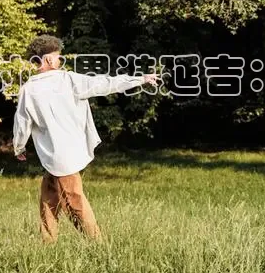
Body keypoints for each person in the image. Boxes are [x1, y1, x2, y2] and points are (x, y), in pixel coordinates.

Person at [13, 35, 158, 243]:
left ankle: (75, 242)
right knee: (61, 198)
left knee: (64, 198)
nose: (60, 61)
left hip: (55, 156)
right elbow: (105, 84)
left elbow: (22, 123)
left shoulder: (28, 89)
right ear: (48, 60)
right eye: (58, 57)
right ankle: (88, 243)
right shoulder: (68, 80)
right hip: (64, 156)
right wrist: (139, 79)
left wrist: (19, 147)